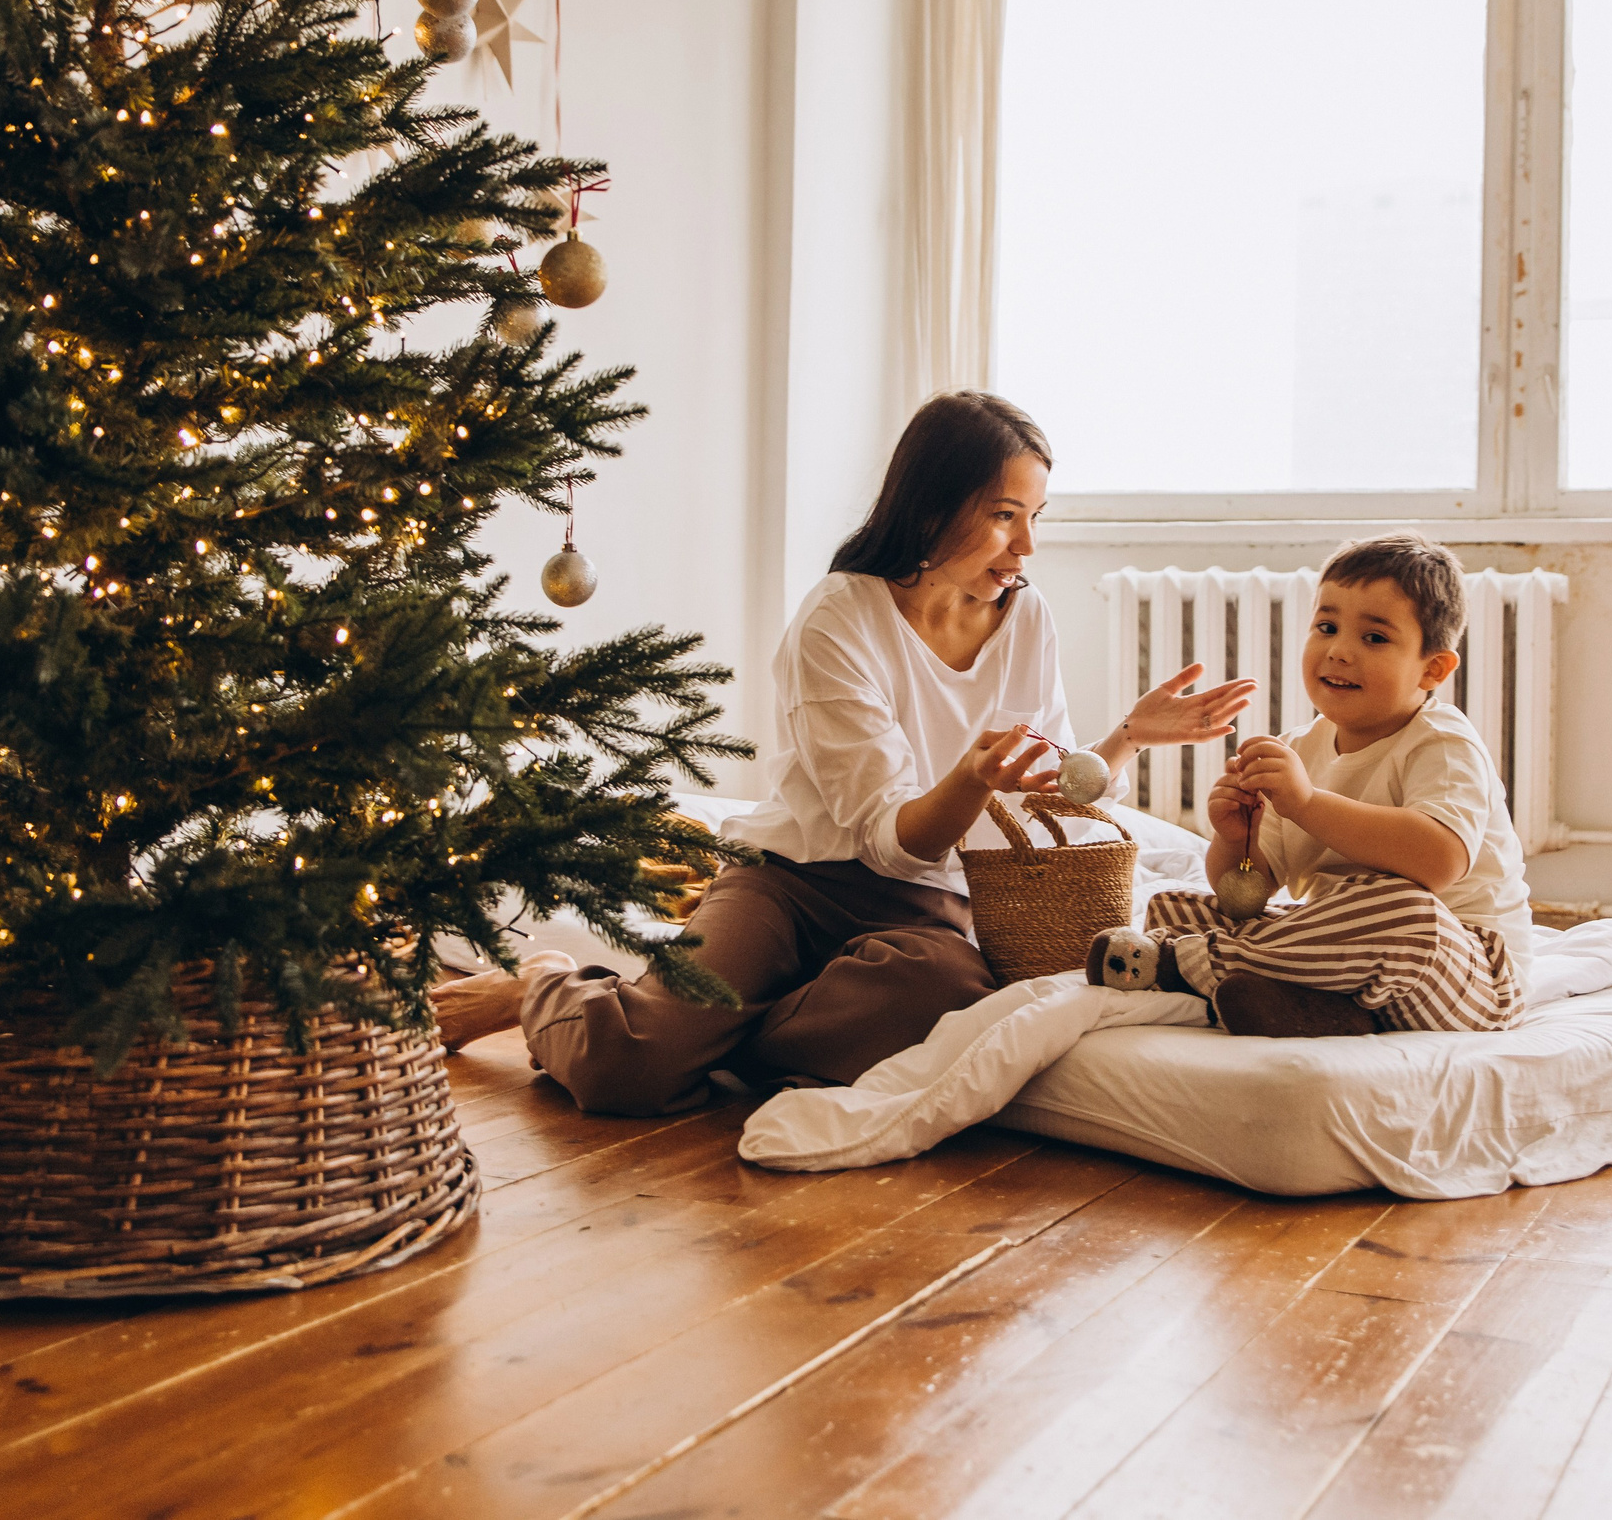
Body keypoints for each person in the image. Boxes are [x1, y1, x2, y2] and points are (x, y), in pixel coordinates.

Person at [433, 391, 1252, 1113]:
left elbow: (1041, 795)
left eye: (1036, 517)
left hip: (930, 905)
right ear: (931, 507)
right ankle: (542, 983)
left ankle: (710, 1032)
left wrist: (1124, 739)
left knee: (948, 995)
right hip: (792, 883)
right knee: (629, 1069)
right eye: (1006, 515)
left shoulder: (1025, 617)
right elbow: (885, 839)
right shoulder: (841, 618)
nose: (1025, 548)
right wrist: (969, 777)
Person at [1103, 533, 1530, 1039]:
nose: (1339, 652)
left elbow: (1438, 862)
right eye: (1326, 627)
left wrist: (1306, 803)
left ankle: (1181, 964)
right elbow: (1247, 897)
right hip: (1351, 968)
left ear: (1432, 668)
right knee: (1174, 905)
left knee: (1405, 912)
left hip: (1463, 970)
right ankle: (1320, 1010)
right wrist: (1234, 838)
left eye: (1374, 638)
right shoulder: (1299, 750)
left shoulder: (1442, 743)